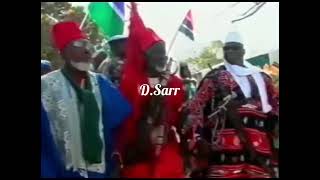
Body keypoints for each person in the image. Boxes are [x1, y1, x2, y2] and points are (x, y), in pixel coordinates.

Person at [41, 21, 131, 178]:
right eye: (78, 45)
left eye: (87, 45)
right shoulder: (45, 87)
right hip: (59, 172)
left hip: (100, 172)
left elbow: (119, 126)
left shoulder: (102, 84)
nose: (87, 50)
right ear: (63, 52)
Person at [183, 32, 279, 178]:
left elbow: (275, 107)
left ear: (243, 51)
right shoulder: (214, 77)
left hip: (259, 151)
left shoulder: (262, 77)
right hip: (224, 152)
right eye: (227, 49)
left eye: (234, 48)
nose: (230, 52)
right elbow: (196, 108)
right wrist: (199, 138)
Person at [113, 3, 186, 178]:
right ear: (145, 56)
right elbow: (126, 119)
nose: (162, 57)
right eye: (157, 53)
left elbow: (177, 112)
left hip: (167, 149)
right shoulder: (132, 82)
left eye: (163, 53)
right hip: (138, 152)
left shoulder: (174, 83)